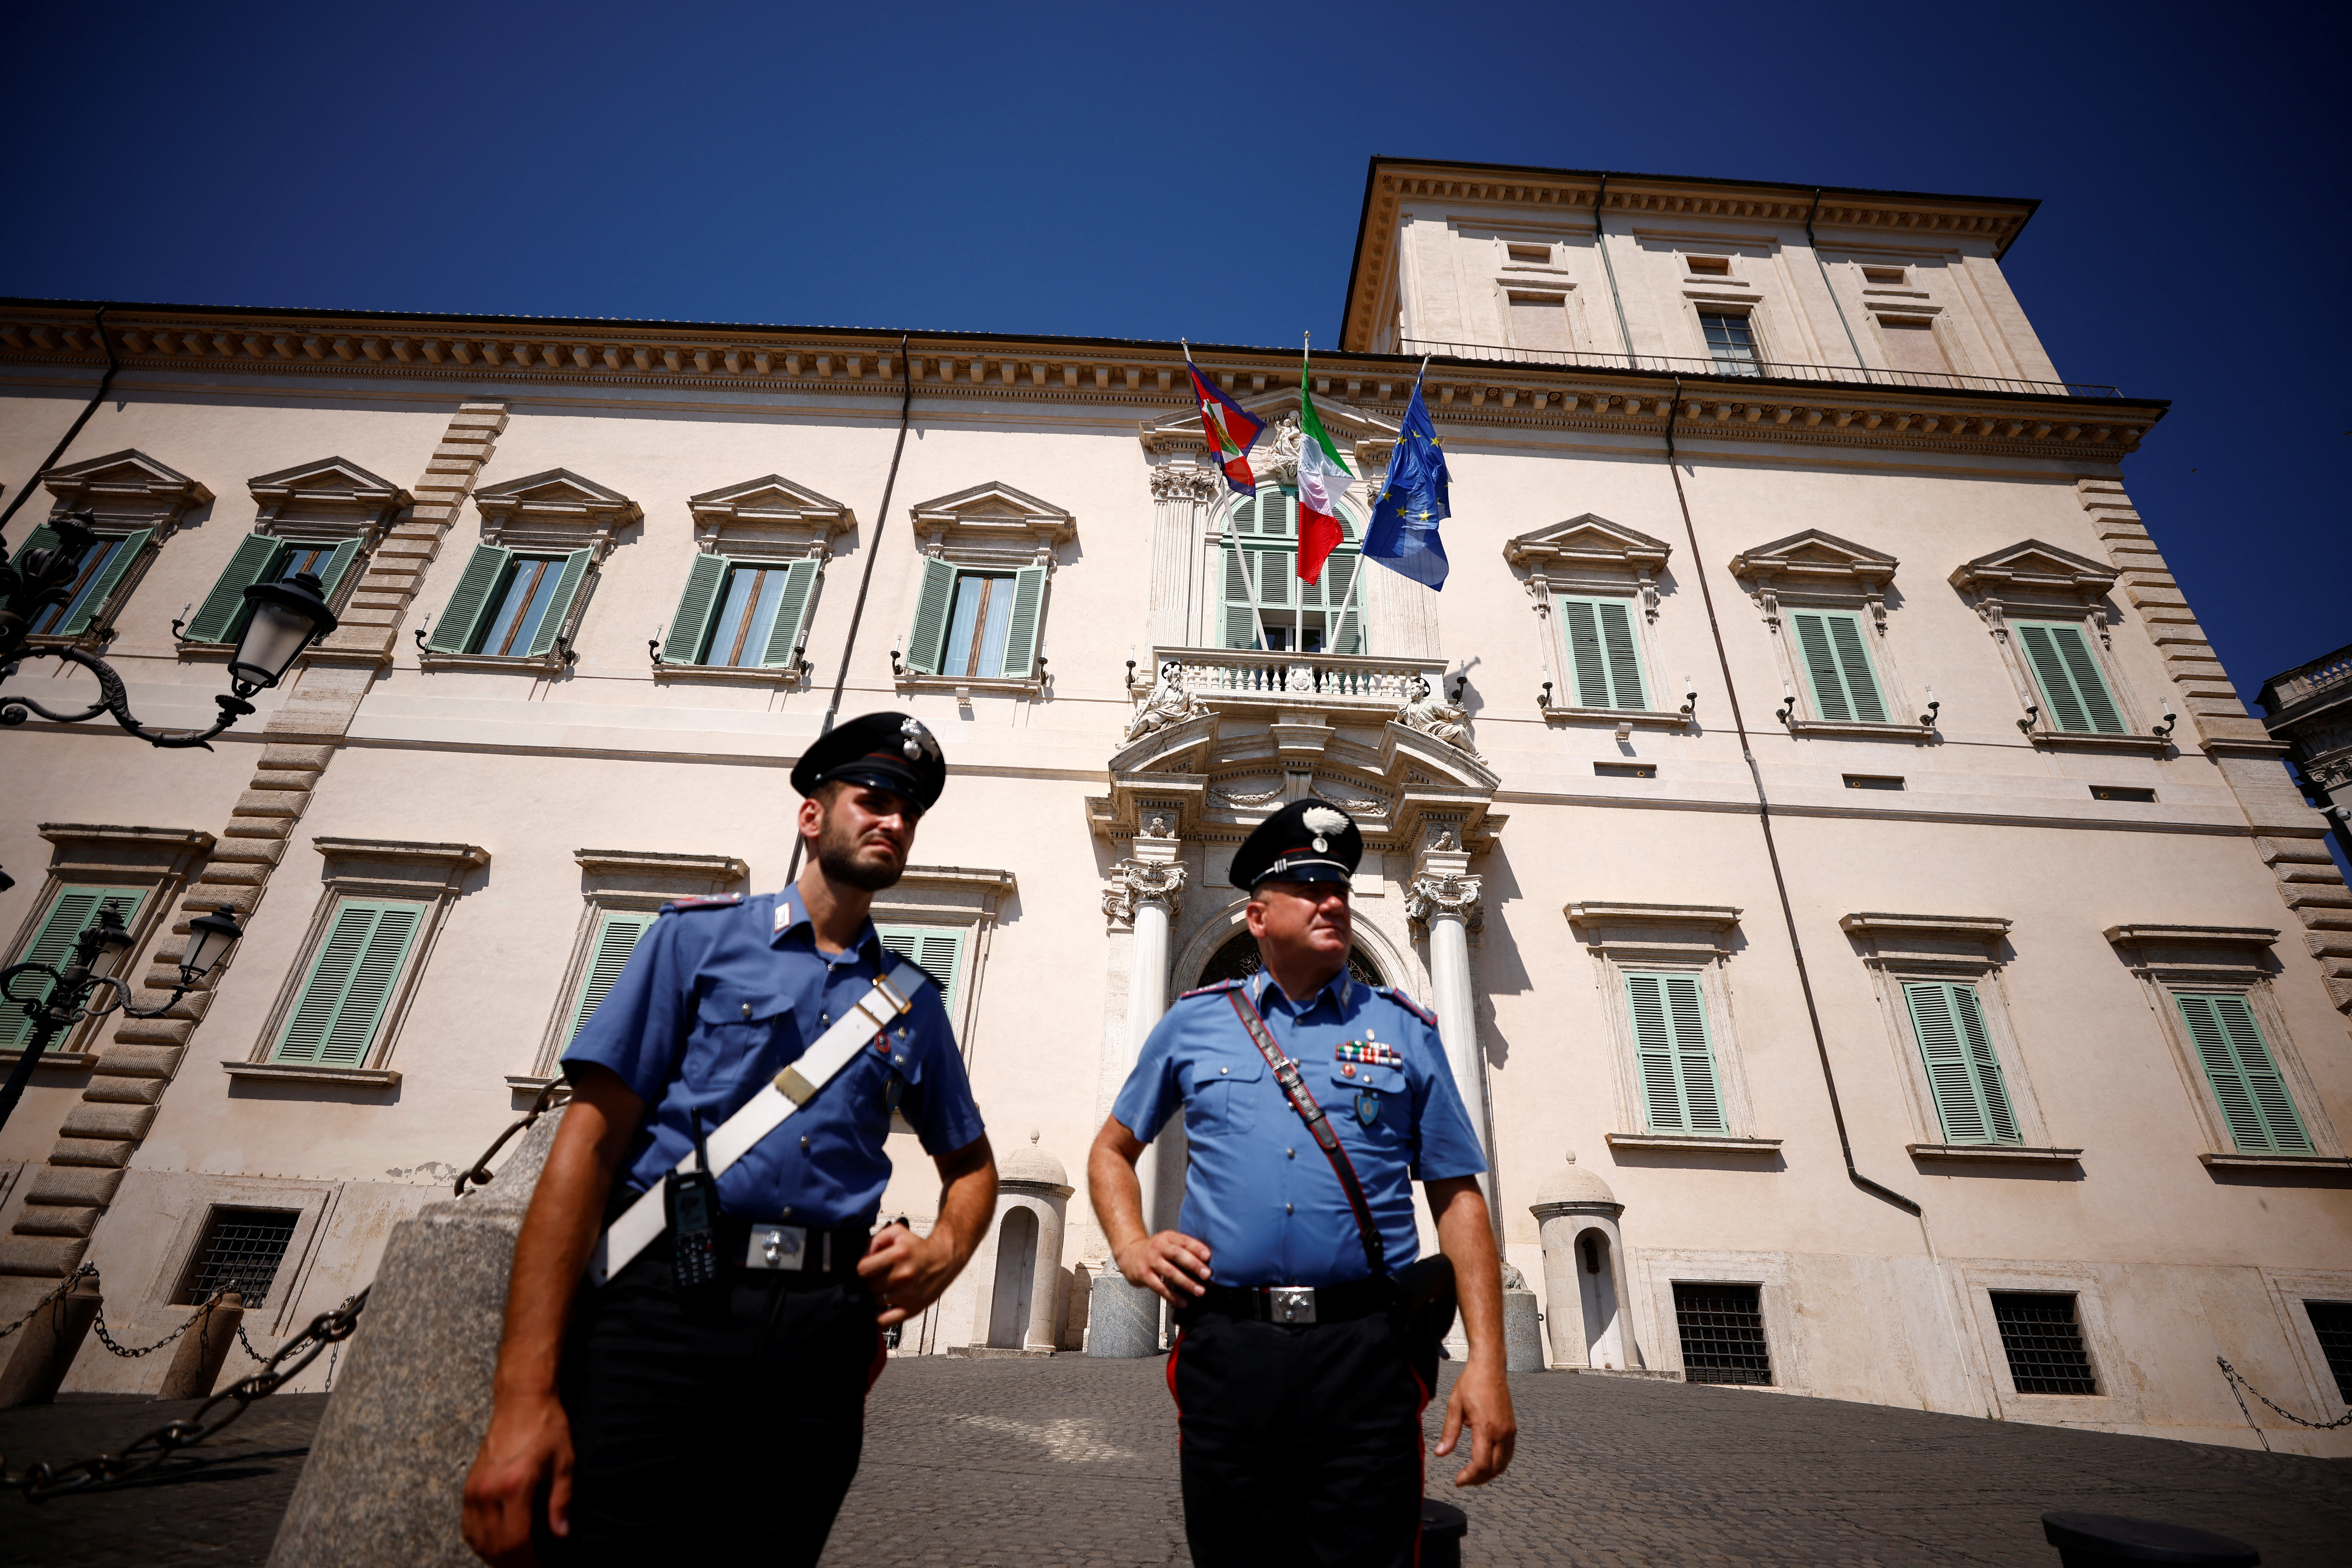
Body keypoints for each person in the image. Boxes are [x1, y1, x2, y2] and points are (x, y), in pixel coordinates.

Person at [462, 712, 998, 1568]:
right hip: (664, 1300)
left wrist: (947, 1248)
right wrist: (522, 1399)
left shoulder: (912, 1001)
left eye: (910, 811)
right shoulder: (695, 941)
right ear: (812, 816)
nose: (894, 821)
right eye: (873, 799)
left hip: (820, 1336)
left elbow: (971, 1166)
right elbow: (586, 1151)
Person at [1088, 798, 1516, 1568]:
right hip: (1230, 1345)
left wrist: (1486, 1361)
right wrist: (1129, 1245)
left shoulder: (1405, 1031)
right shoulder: (1195, 1023)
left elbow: (1457, 1199)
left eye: (1341, 889)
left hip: (1367, 1350)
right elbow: (1112, 1150)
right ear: (1257, 916)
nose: (1333, 901)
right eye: (1310, 888)